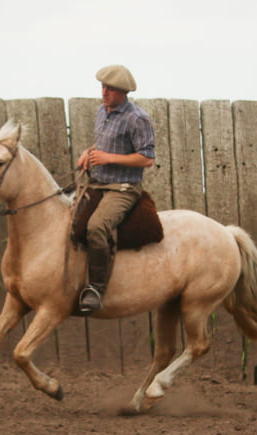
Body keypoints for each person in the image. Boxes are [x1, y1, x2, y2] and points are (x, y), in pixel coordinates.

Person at [76, 65, 156, 314]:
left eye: (110, 89)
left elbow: (147, 158)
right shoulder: (102, 111)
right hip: (98, 183)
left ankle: (97, 288)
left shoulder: (137, 118)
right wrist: (87, 154)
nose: (105, 92)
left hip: (123, 188)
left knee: (97, 227)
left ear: (123, 92)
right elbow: (101, 144)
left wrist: (109, 158)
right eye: (103, 87)